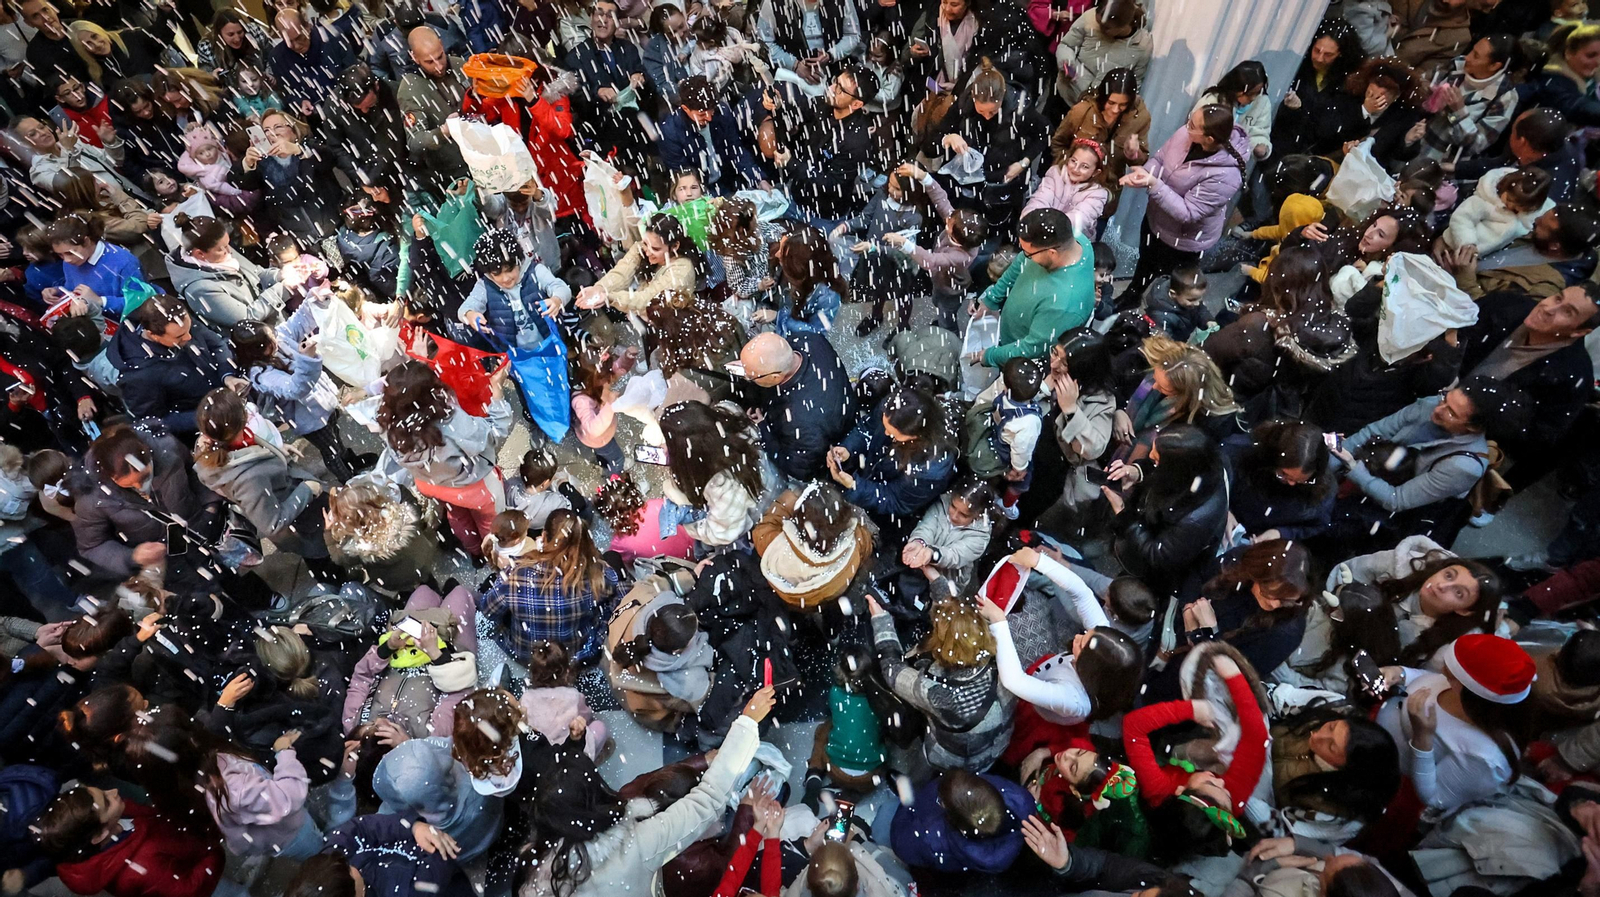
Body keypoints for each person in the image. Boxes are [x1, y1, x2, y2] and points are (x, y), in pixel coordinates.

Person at [1377, 633, 1534, 817]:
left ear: (1475, 697)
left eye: (1452, 674)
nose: (1443, 670)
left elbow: (1434, 796)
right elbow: (1431, 680)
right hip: (1381, 740)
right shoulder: (1462, 688)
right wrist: (1401, 674)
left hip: (1392, 781)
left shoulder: (1485, 758)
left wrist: (1423, 739)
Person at [377, 361, 513, 559]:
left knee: (456, 516)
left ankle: (473, 551)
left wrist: (418, 370)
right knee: (490, 521)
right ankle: (489, 553)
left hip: (431, 484)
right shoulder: (450, 422)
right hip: (472, 486)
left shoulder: (387, 422)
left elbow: (409, 398)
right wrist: (497, 391)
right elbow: (494, 432)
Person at [1121, 104, 1248, 297]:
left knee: (1169, 286)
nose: (1186, 126)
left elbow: (1189, 213)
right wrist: (1145, 173)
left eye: (1193, 125)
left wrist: (1154, 184)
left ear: (1209, 139)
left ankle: (1156, 316)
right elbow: (1160, 159)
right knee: (1145, 262)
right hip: (1156, 219)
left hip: (1183, 240)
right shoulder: (1185, 134)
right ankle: (1131, 296)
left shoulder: (1226, 176)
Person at [479, 509, 617, 666]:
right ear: (584, 540)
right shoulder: (598, 573)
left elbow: (488, 611)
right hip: (576, 656)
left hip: (527, 656)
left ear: (543, 536)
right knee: (613, 559)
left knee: (493, 596)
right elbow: (614, 590)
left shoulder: (514, 573)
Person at [829, 386, 957, 544]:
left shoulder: (932, 468)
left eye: (893, 433)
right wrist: (849, 449)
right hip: (874, 472)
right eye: (885, 426)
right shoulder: (893, 408)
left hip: (893, 514)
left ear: (916, 435)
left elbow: (894, 499)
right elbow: (867, 429)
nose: (886, 434)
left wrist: (855, 486)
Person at [973, 208, 1096, 367]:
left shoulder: (1063, 306)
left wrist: (990, 356)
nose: (1024, 255)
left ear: (1052, 253)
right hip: (1010, 335)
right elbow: (1020, 263)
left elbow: (1031, 348)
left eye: (1029, 253)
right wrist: (992, 298)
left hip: (1019, 357)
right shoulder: (1073, 239)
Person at [104, 294, 233, 436]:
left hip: (225, 400)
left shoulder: (178, 321)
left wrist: (227, 375)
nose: (189, 337)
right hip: (206, 429)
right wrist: (206, 417)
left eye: (189, 329)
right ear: (153, 335)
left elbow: (216, 344)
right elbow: (153, 421)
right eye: (179, 337)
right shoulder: (138, 375)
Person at [738, 331, 855, 483]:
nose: (747, 377)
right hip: (840, 406)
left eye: (751, 376)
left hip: (834, 442)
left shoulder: (800, 421)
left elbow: (799, 468)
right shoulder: (808, 338)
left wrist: (763, 428)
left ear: (775, 377)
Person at [660, 76, 763, 195]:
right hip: (699, 190)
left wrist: (758, 178)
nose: (709, 118)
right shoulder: (670, 131)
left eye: (712, 110)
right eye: (702, 114)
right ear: (685, 109)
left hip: (729, 180)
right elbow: (683, 175)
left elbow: (736, 150)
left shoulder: (722, 113)